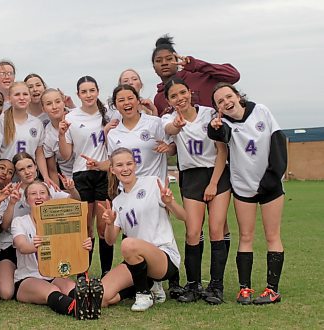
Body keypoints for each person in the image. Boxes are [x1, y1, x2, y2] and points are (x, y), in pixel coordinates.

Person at [208, 83, 286, 305]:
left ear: (238, 96)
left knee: (272, 236)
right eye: (220, 101)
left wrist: (272, 178)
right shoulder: (223, 123)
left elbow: (278, 144)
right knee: (246, 237)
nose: (226, 102)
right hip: (243, 188)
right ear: (217, 108)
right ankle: (245, 289)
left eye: (228, 96)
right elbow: (219, 133)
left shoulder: (261, 111)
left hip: (270, 186)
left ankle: (272, 290)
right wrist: (214, 127)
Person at [163, 78, 231, 304]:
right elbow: (169, 129)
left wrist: (213, 183)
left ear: (190, 92)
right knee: (192, 232)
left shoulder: (209, 114)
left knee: (215, 229)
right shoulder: (170, 119)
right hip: (191, 177)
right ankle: (193, 285)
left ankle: (216, 285)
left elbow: (222, 151)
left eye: (183, 92)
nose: (180, 98)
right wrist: (177, 126)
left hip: (216, 174)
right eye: (174, 96)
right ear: (169, 101)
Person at [100, 147, 183, 312]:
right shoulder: (117, 202)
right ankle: (150, 286)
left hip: (164, 257)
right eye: (120, 165)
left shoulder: (152, 183)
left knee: (128, 244)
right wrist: (110, 223)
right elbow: (109, 241)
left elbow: (183, 217)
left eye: (129, 163)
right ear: (112, 169)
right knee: (101, 297)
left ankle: (143, 294)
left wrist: (170, 203)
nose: (125, 169)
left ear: (135, 165)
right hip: (136, 258)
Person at [0, 152, 79, 300]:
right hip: (10, 247)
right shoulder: (11, 190)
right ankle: (18, 280)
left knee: (46, 277)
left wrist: (71, 189)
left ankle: (37, 285)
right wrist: (12, 203)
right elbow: (5, 226)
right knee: (6, 292)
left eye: (29, 166)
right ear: (17, 173)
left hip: (37, 247)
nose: (27, 172)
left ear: (36, 167)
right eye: (21, 169)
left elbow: (75, 203)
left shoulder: (45, 188)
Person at [11, 180, 101, 319]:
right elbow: (22, 246)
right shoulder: (20, 221)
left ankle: (89, 303)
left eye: (42, 193)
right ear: (27, 200)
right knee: (52, 290)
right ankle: (77, 309)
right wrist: (35, 245)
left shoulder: (59, 221)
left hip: (53, 273)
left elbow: (70, 246)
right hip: (28, 277)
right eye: (33, 194)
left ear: (49, 198)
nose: (38, 197)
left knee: (71, 286)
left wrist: (84, 246)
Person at [58, 76, 114, 276]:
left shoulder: (108, 114)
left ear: (98, 91)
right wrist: (61, 134)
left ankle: (107, 272)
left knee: (103, 226)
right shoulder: (71, 117)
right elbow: (65, 155)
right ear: (78, 94)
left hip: (103, 173)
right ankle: (84, 273)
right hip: (81, 174)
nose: (88, 95)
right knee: (85, 230)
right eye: (84, 91)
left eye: (92, 90)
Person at [151, 34, 240, 117]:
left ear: (177, 61)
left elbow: (233, 75)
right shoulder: (158, 99)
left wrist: (196, 64)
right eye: (159, 61)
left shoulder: (200, 76)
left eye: (169, 59)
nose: (164, 63)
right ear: (154, 67)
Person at [0, 81, 52, 185]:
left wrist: (45, 176)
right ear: (9, 98)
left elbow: (39, 153)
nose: (22, 98)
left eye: (25, 94)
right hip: (6, 178)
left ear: (30, 97)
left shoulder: (37, 123)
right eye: (17, 94)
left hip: (28, 176)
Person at [40, 88, 75, 184]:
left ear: (64, 102)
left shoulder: (76, 118)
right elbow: (52, 170)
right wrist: (57, 192)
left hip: (89, 171)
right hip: (68, 180)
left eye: (58, 101)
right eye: (49, 104)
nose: (54, 107)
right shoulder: (46, 135)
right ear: (43, 109)